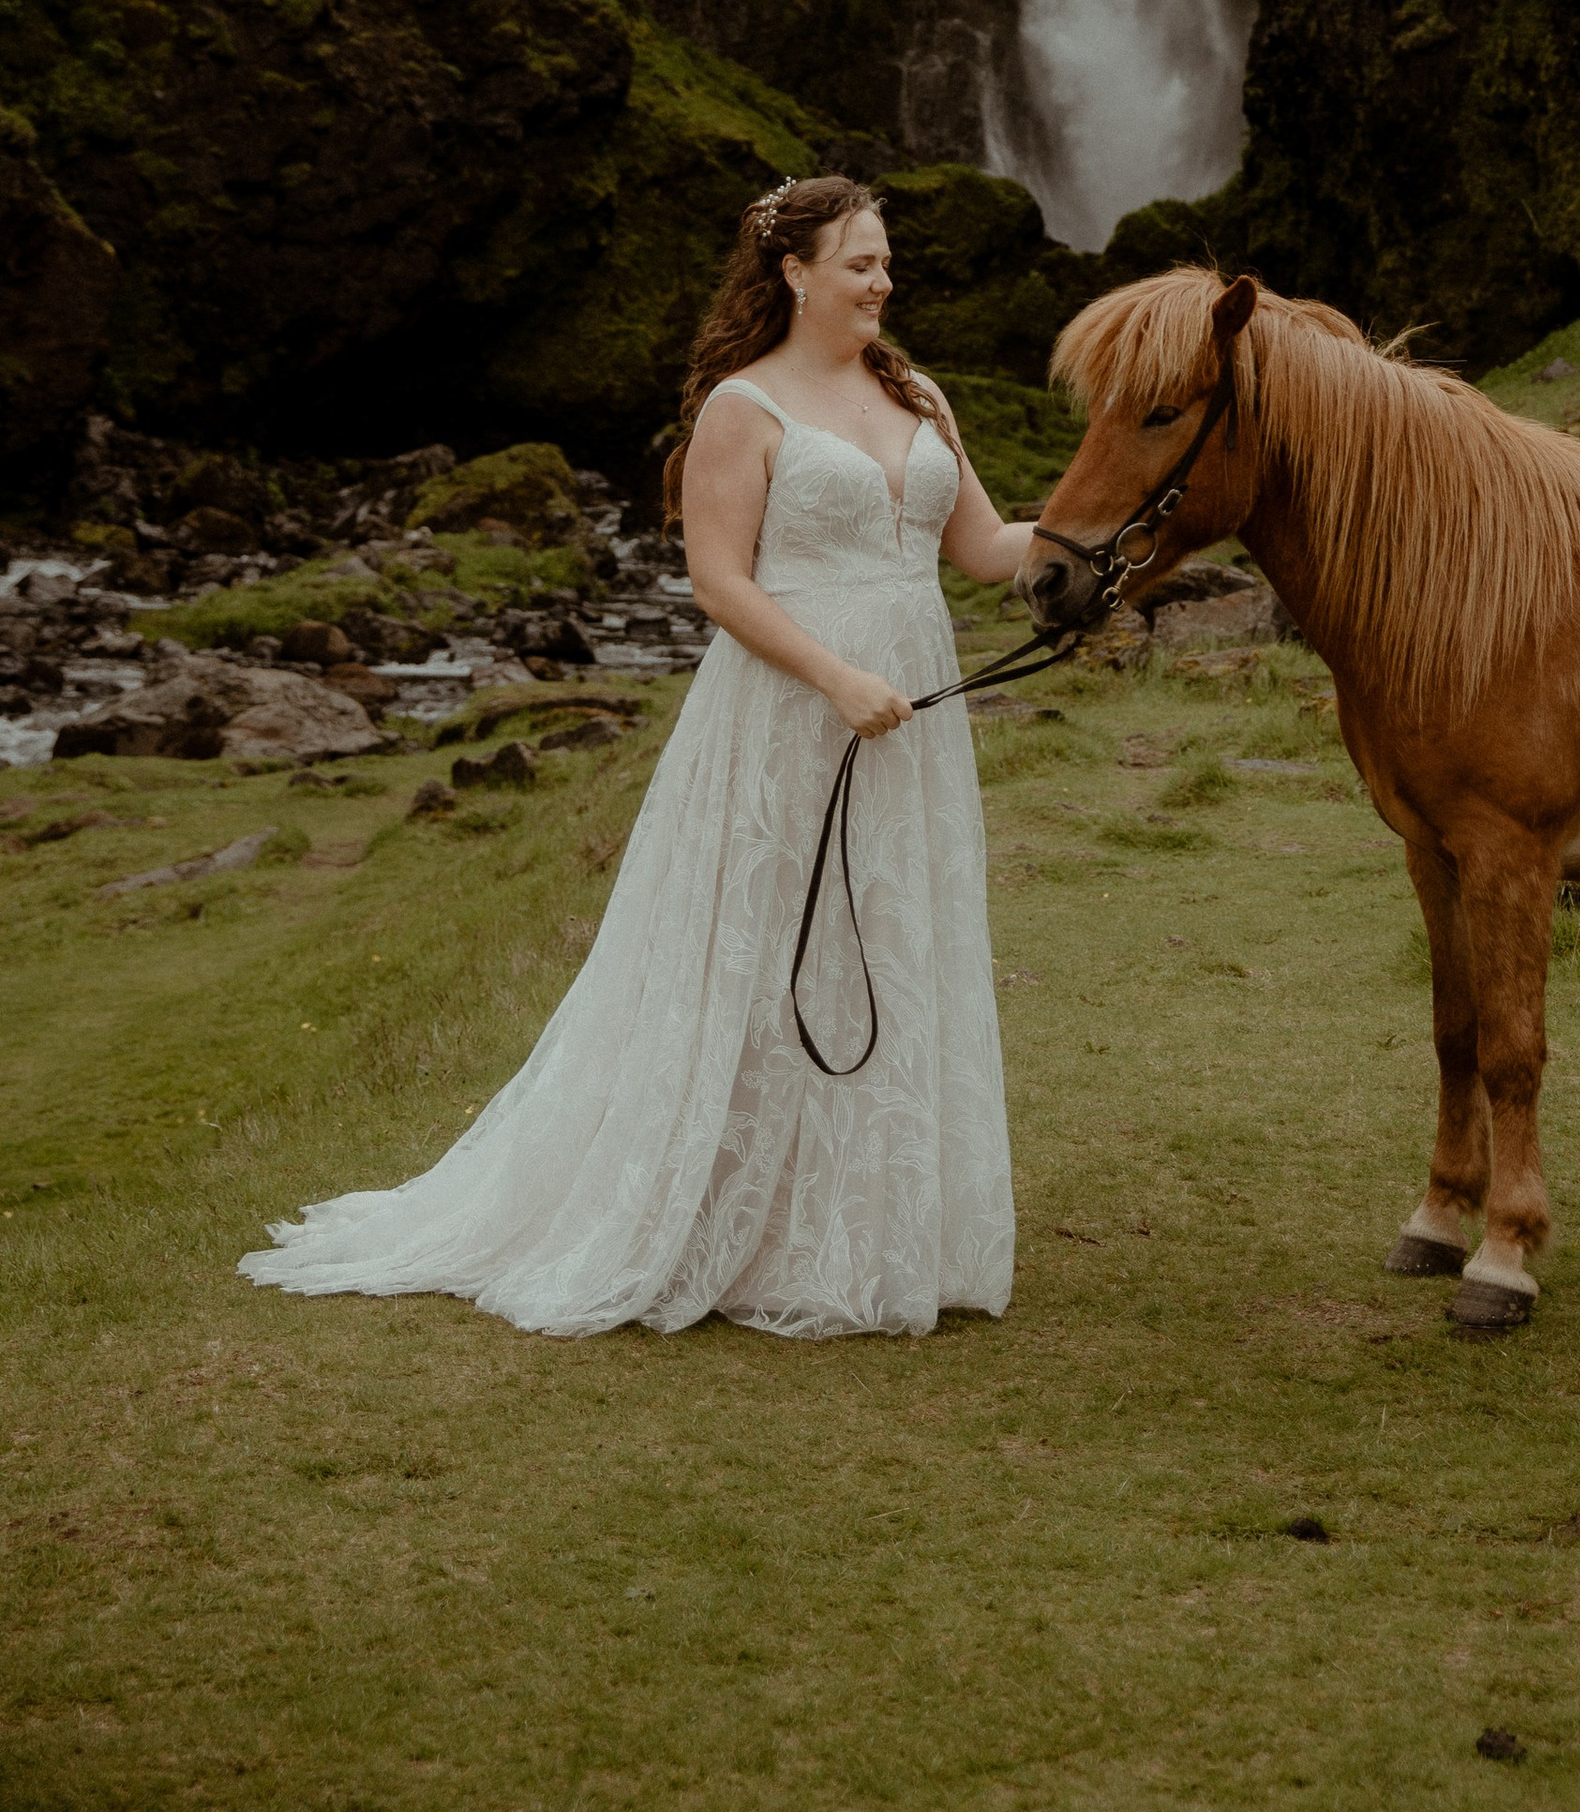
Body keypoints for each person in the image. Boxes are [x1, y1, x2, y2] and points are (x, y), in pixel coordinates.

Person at [241, 174, 1033, 1338]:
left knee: (892, 937)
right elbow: (719, 581)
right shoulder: (742, 408)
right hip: (788, 710)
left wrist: (1104, 532)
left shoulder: (915, 392)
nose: (883, 280)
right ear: (794, 273)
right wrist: (834, 677)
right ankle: (731, 1222)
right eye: (860, 261)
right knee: (763, 952)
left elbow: (982, 549)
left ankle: (867, 1231)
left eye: (885, 260)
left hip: (911, 716)